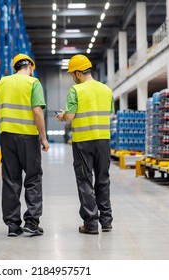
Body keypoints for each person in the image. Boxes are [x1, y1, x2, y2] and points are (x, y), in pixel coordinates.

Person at [0, 53, 49, 237]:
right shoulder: (33, 83)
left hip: (7, 137)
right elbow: (37, 112)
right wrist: (43, 137)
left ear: (15, 67)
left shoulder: (2, 83)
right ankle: (31, 223)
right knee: (32, 178)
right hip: (28, 137)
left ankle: (13, 226)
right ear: (30, 66)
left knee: (10, 179)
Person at [56, 54, 113, 235]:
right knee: (103, 180)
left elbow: (70, 117)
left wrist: (62, 115)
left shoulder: (76, 90)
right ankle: (106, 221)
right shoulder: (106, 90)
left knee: (85, 181)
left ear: (79, 73)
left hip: (82, 143)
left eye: (73, 73)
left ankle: (90, 223)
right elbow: (107, 112)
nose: (72, 77)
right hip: (103, 141)